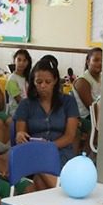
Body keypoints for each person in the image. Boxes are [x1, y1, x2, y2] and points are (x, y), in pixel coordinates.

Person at [14, 60, 80, 188]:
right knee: (40, 164)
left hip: (61, 151)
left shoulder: (68, 102)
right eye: (39, 82)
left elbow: (70, 135)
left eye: (47, 82)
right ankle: (63, 189)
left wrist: (49, 147)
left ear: (55, 81)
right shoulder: (26, 104)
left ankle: (60, 189)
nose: (43, 86)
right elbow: (20, 133)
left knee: (39, 180)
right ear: (33, 82)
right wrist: (20, 135)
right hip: (34, 152)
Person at [73, 47, 103, 150]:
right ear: (88, 61)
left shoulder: (102, 78)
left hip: (99, 114)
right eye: (96, 60)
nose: (100, 63)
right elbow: (92, 107)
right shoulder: (82, 81)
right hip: (84, 117)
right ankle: (89, 155)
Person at [6, 48, 32, 115]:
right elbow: (19, 101)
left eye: (24, 60)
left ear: (28, 62)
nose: (21, 63)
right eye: (19, 60)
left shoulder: (27, 77)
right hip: (16, 111)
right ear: (14, 61)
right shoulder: (12, 79)